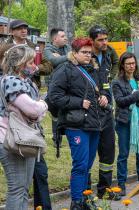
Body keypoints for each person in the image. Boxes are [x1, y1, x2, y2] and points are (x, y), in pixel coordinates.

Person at [48, 38, 111, 209]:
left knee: (88, 165)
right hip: (76, 125)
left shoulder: (92, 69)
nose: (88, 55)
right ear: (74, 53)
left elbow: (100, 90)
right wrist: (78, 102)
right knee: (80, 165)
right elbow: (53, 97)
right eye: (84, 52)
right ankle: (76, 202)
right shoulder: (65, 69)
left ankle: (84, 199)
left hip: (94, 123)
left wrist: (104, 96)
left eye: (90, 53)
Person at [2, 19, 52, 210]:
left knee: (23, 188)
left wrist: (39, 107)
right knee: (17, 188)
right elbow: (33, 110)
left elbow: (36, 115)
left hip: (27, 137)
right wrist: (41, 105)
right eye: (31, 62)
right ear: (21, 63)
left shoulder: (29, 82)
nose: (35, 65)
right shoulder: (12, 82)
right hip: (11, 137)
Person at [112, 52, 139, 196]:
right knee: (123, 154)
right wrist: (138, 95)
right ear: (122, 66)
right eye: (128, 63)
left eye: (133, 63)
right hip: (125, 121)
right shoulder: (117, 82)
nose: (131, 66)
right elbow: (120, 101)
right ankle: (121, 185)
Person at [88, 25, 118, 200]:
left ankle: (104, 190)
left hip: (107, 111)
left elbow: (111, 71)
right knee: (88, 155)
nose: (104, 42)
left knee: (108, 152)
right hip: (91, 112)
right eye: (100, 39)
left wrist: (109, 82)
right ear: (92, 41)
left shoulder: (108, 53)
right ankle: (85, 193)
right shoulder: (85, 55)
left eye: (106, 38)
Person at [1, 19, 53, 87]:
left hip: (31, 86)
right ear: (11, 32)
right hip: (9, 86)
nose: (24, 31)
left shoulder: (34, 47)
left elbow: (48, 66)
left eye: (25, 28)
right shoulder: (5, 48)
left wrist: (36, 68)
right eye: (19, 29)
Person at [44, 28, 71, 149]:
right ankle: (57, 138)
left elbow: (73, 60)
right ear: (55, 39)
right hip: (54, 85)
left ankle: (68, 135)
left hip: (68, 84)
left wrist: (62, 58)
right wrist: (68, 57)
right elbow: (53, 61)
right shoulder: (47, 49)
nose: (66, 38)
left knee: (66, 110)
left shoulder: (67, 48)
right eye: (63, 36)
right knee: (55, 113)